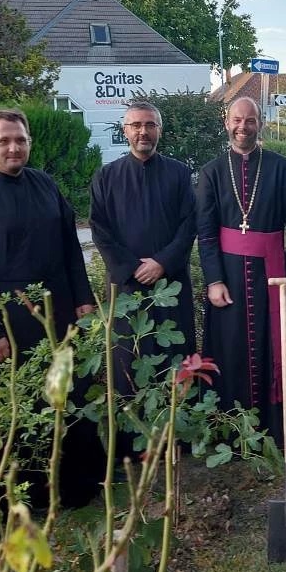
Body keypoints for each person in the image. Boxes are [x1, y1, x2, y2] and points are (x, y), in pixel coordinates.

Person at [0, 108, 101, 507]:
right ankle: (27, 496)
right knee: (24, 405)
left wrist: (83, 298)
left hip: (60, 310)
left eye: (21, 140)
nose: (14, 147)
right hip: (10, 324)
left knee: (67, 394)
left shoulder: (45, 185)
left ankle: (76, 485)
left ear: (29, 142)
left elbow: (70, 248)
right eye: (4, 141)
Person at [196, 96, 286, 448]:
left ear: (260, 123)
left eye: (250, 120)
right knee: (230, 348)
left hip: (272, 276)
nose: (242, 126)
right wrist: (213, 280)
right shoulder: (212, 171)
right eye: (236, 120)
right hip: (228, 277)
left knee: (274, 346)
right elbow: (207, 232)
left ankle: (279, 426)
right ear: (226, 122)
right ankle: (231, 429)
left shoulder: (279, 167)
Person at [89, 100, 196, 408]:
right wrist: (133, 268)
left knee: (175, 358)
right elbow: (100, 231)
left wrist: (162, 262)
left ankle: (177, 431)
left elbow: (189, 225)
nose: (143, 131)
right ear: (125, 131)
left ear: (159, 130)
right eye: (136, 125)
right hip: (127, 288)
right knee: (129, 360)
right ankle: (133, 435)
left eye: (150, 125)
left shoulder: (178, 174)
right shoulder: (106, 178)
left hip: (170, 285)